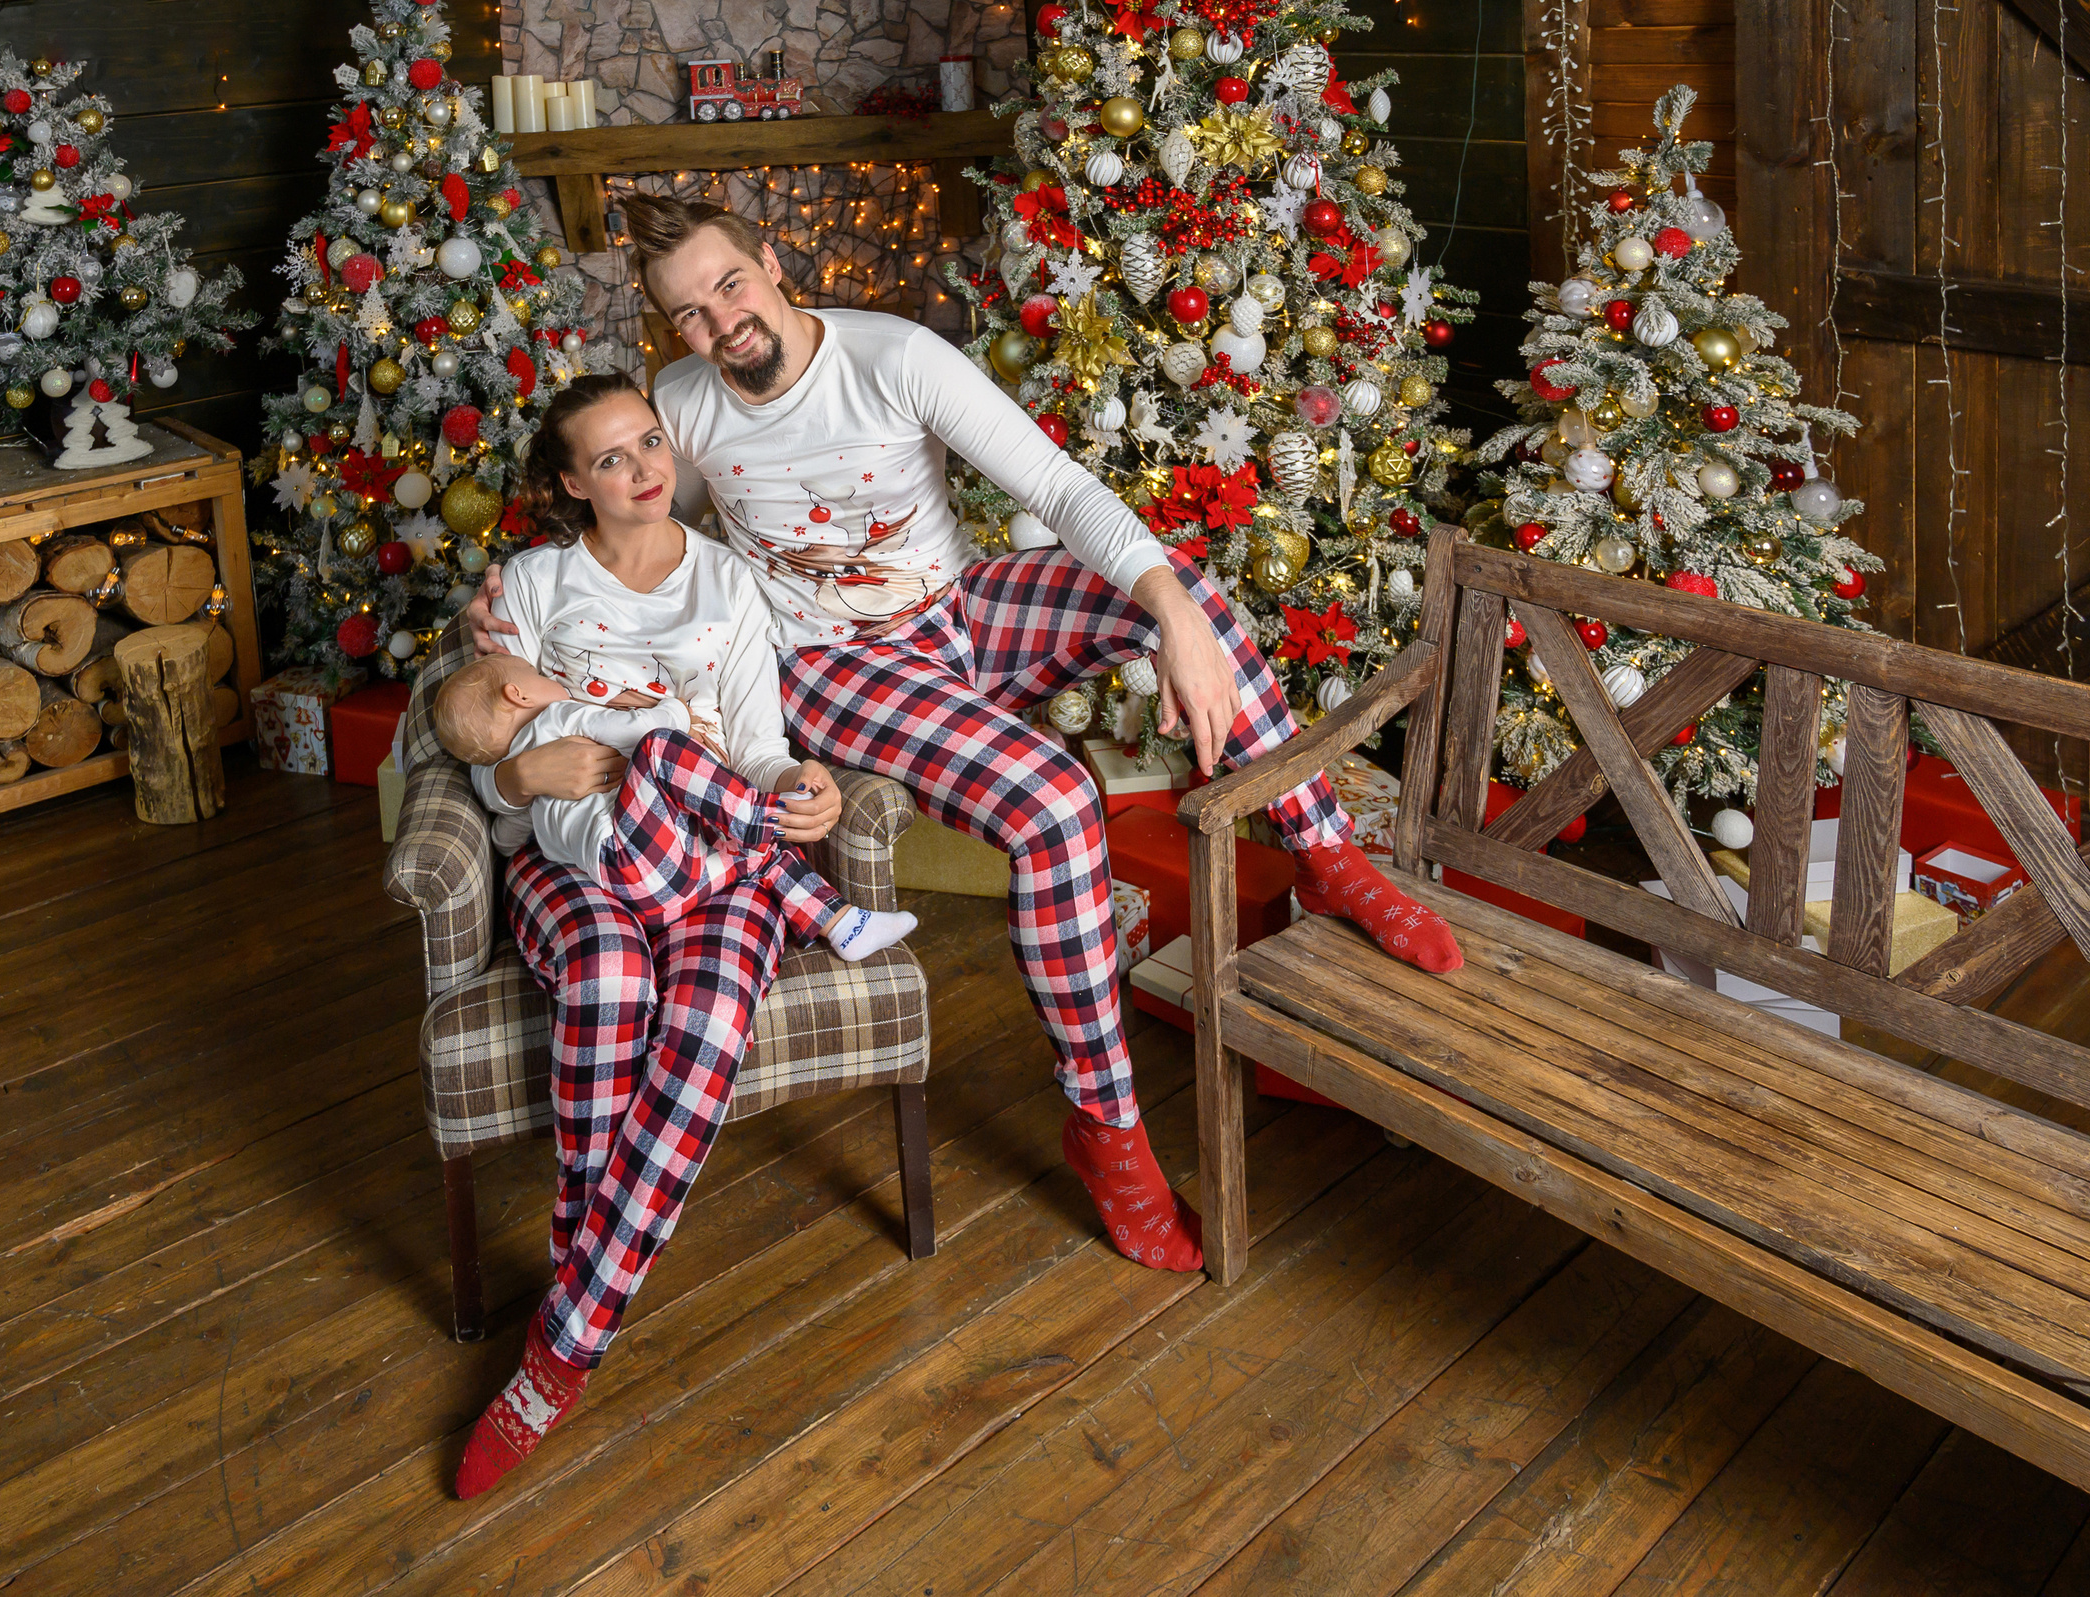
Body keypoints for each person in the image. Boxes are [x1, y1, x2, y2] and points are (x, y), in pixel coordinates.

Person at [464, 194, 1464, 1286]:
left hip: (963, 612)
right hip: (838, 665)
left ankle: (1325, 858)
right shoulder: (683, 403)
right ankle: (1108, 1129)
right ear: (670, 330)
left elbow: (1054, 487)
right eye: (688, 314)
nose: (720, 324)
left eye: (730, 287)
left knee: (1194, 599)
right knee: (1052, 803)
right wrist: (521, 601)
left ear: (771, 260)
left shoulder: (896, 357)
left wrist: (1171, 611)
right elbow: (647, 523)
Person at [445, 373, 908, 1501]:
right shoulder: (534, 585)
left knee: (700, 1018)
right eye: (608, 457)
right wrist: (515, 773)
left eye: (649, 440)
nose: (643, 466)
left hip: (707, 861)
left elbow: (758, 739)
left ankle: (565, 1337)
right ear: (569, 483)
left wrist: (804, 789)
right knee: (605, 977)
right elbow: (478, 717)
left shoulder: (729, 582)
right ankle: (807, 895)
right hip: (584, 860)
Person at [431, 649, 915, 961]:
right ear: (518, 693)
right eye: (536, 674)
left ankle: (843, 923)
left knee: (744, 850)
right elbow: (633, 732)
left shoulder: (529, 791)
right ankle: (764, 819)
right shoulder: (555, 718)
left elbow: (506, 838)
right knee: (661, 748)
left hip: (651, 896)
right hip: (631, 860)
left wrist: (520, 803)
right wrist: (675, 711)